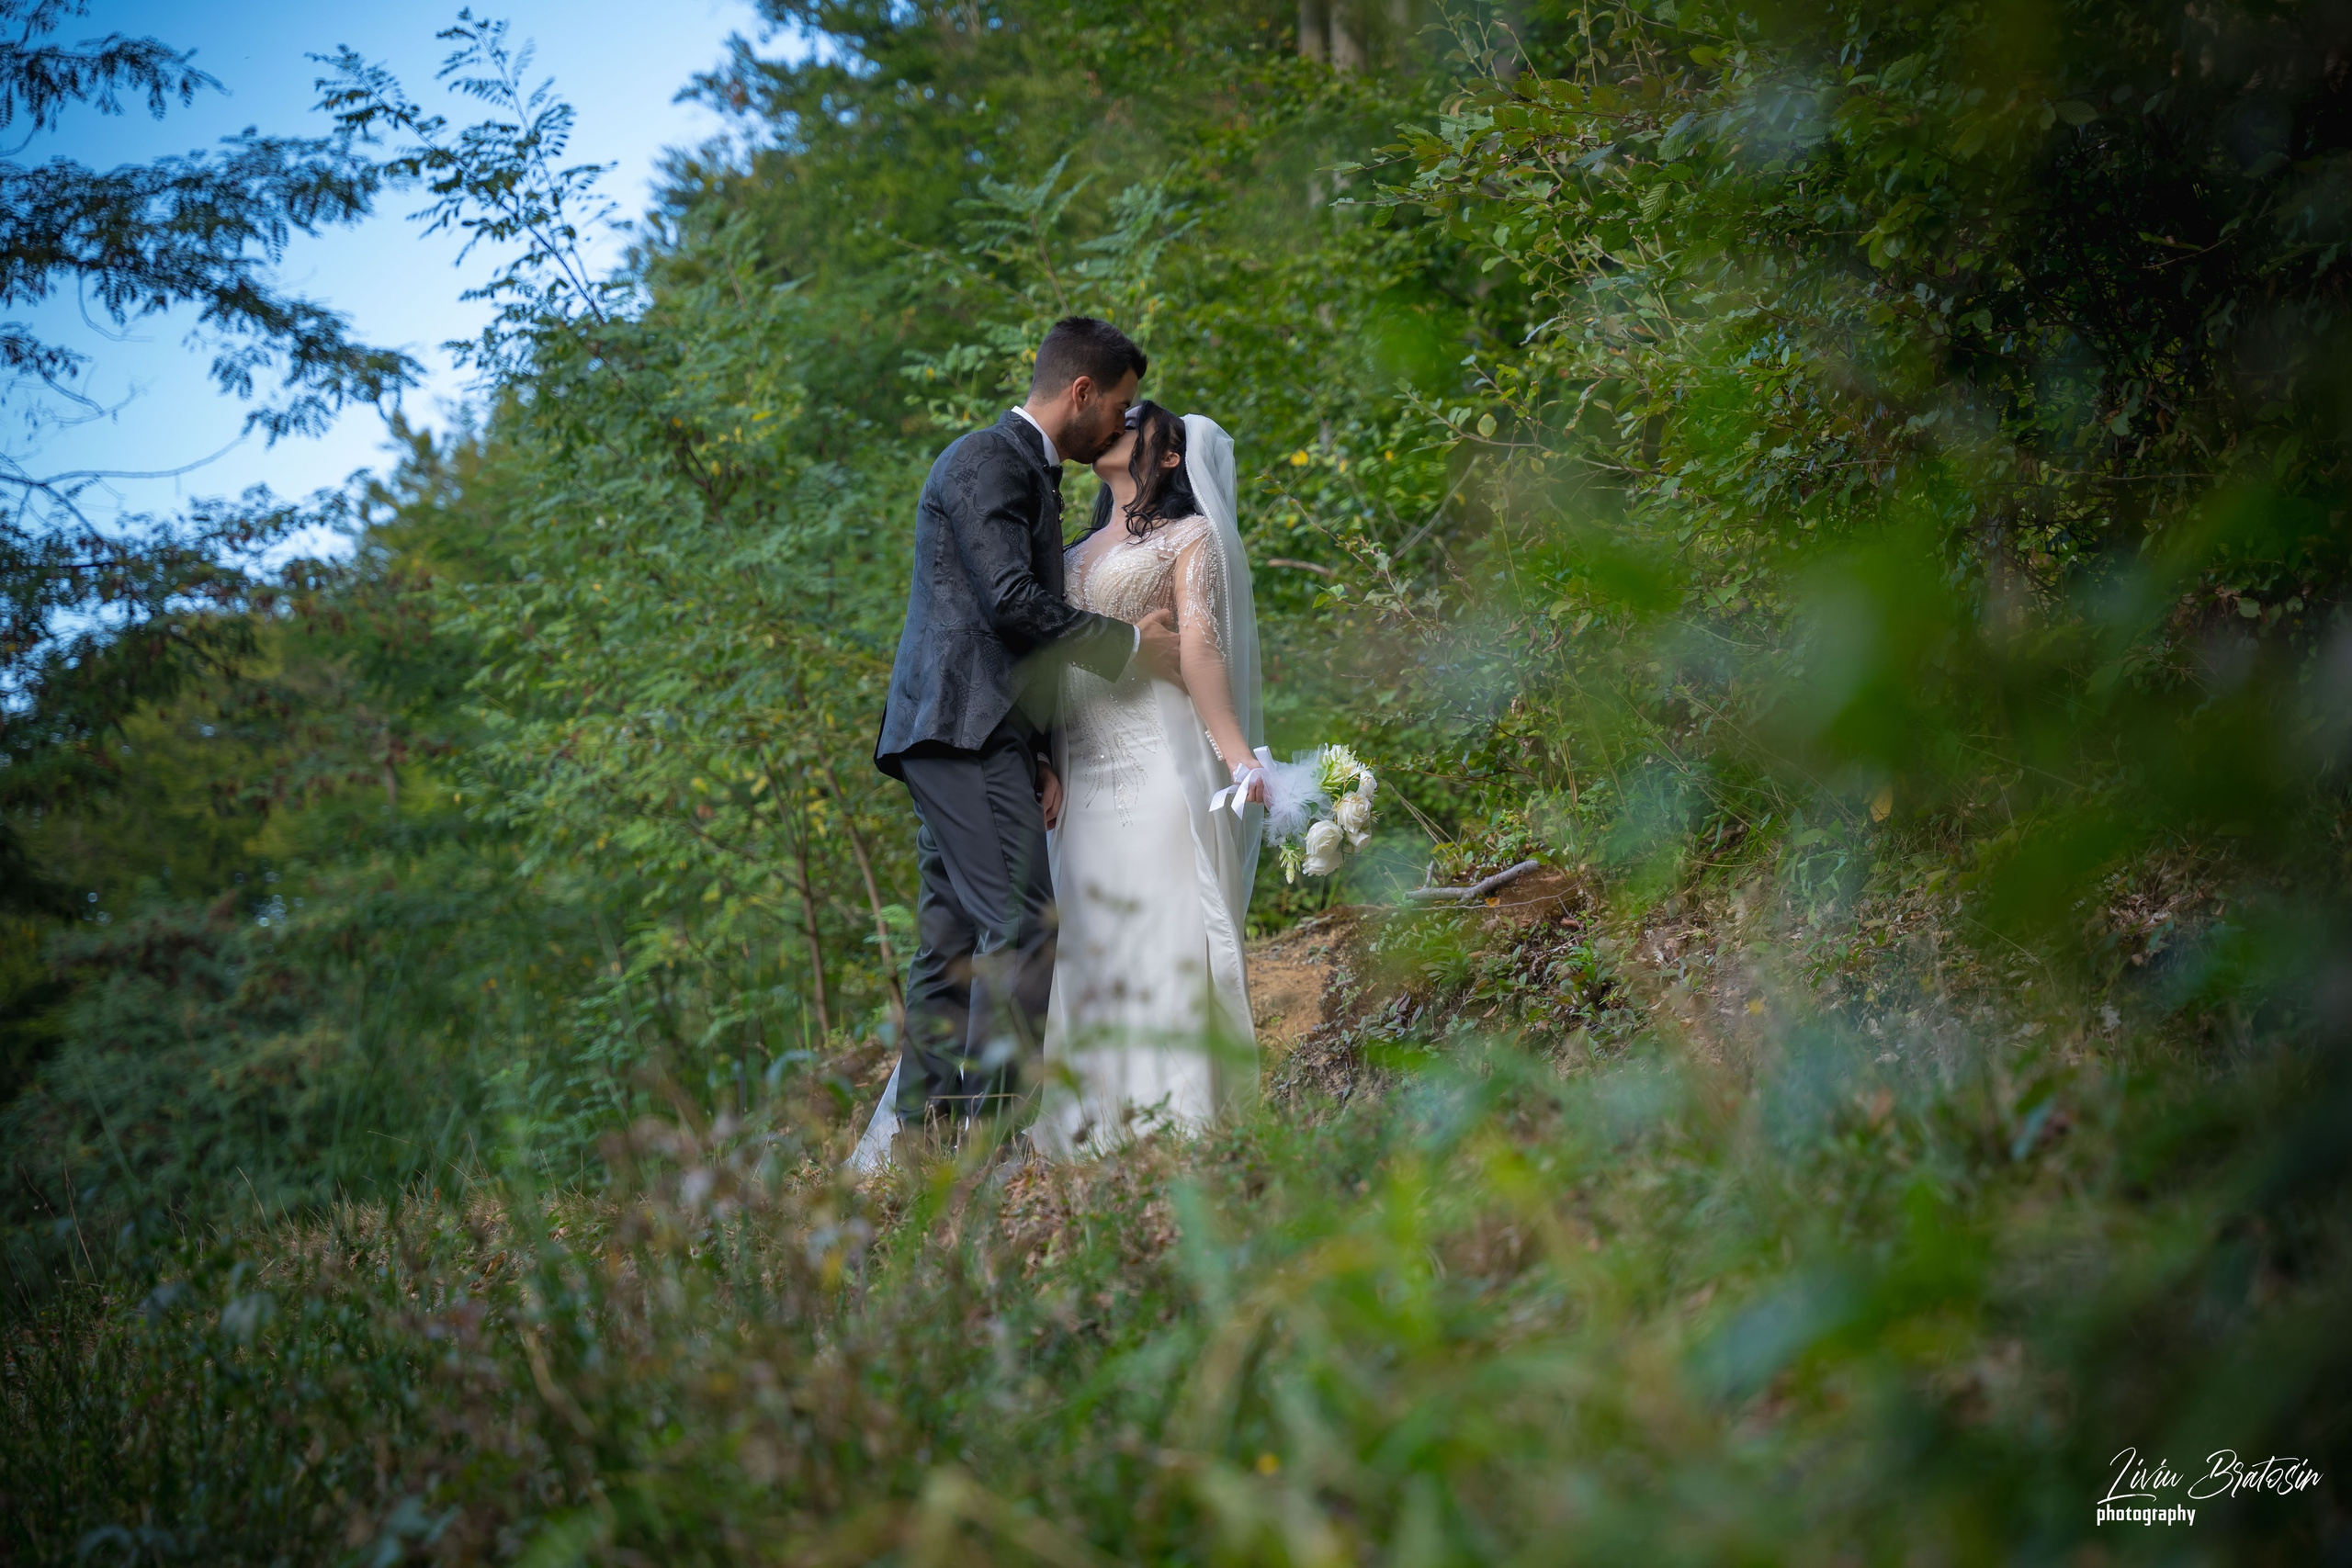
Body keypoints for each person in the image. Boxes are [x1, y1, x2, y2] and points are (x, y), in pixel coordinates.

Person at [862, 316, 1183, 1147]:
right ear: (1080, 392)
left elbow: (1005, 627)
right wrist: (1129, 645)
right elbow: (1009, 599)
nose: (1122, 423)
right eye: (1117, 405)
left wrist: (1039, 752)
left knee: (951, 937)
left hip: (981, 731)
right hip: (959, 726)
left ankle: (921, 1136)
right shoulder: (984, 459)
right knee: (1025, 920)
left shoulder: (1032, 477)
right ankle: (990, 1143)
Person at [1027, 400, 1266, 1156]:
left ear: (1170, 457)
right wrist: (1038, 754)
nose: (1116, 427)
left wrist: (1241, 758)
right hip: (1080, 768)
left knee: (1162, 935)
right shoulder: (1072, 546)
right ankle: (1087, 1134)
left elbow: (1200, 651)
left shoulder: (1190, 537)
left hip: (1160, 764)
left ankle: (1179, 1133)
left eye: (1136, 424)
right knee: (1087, 942)